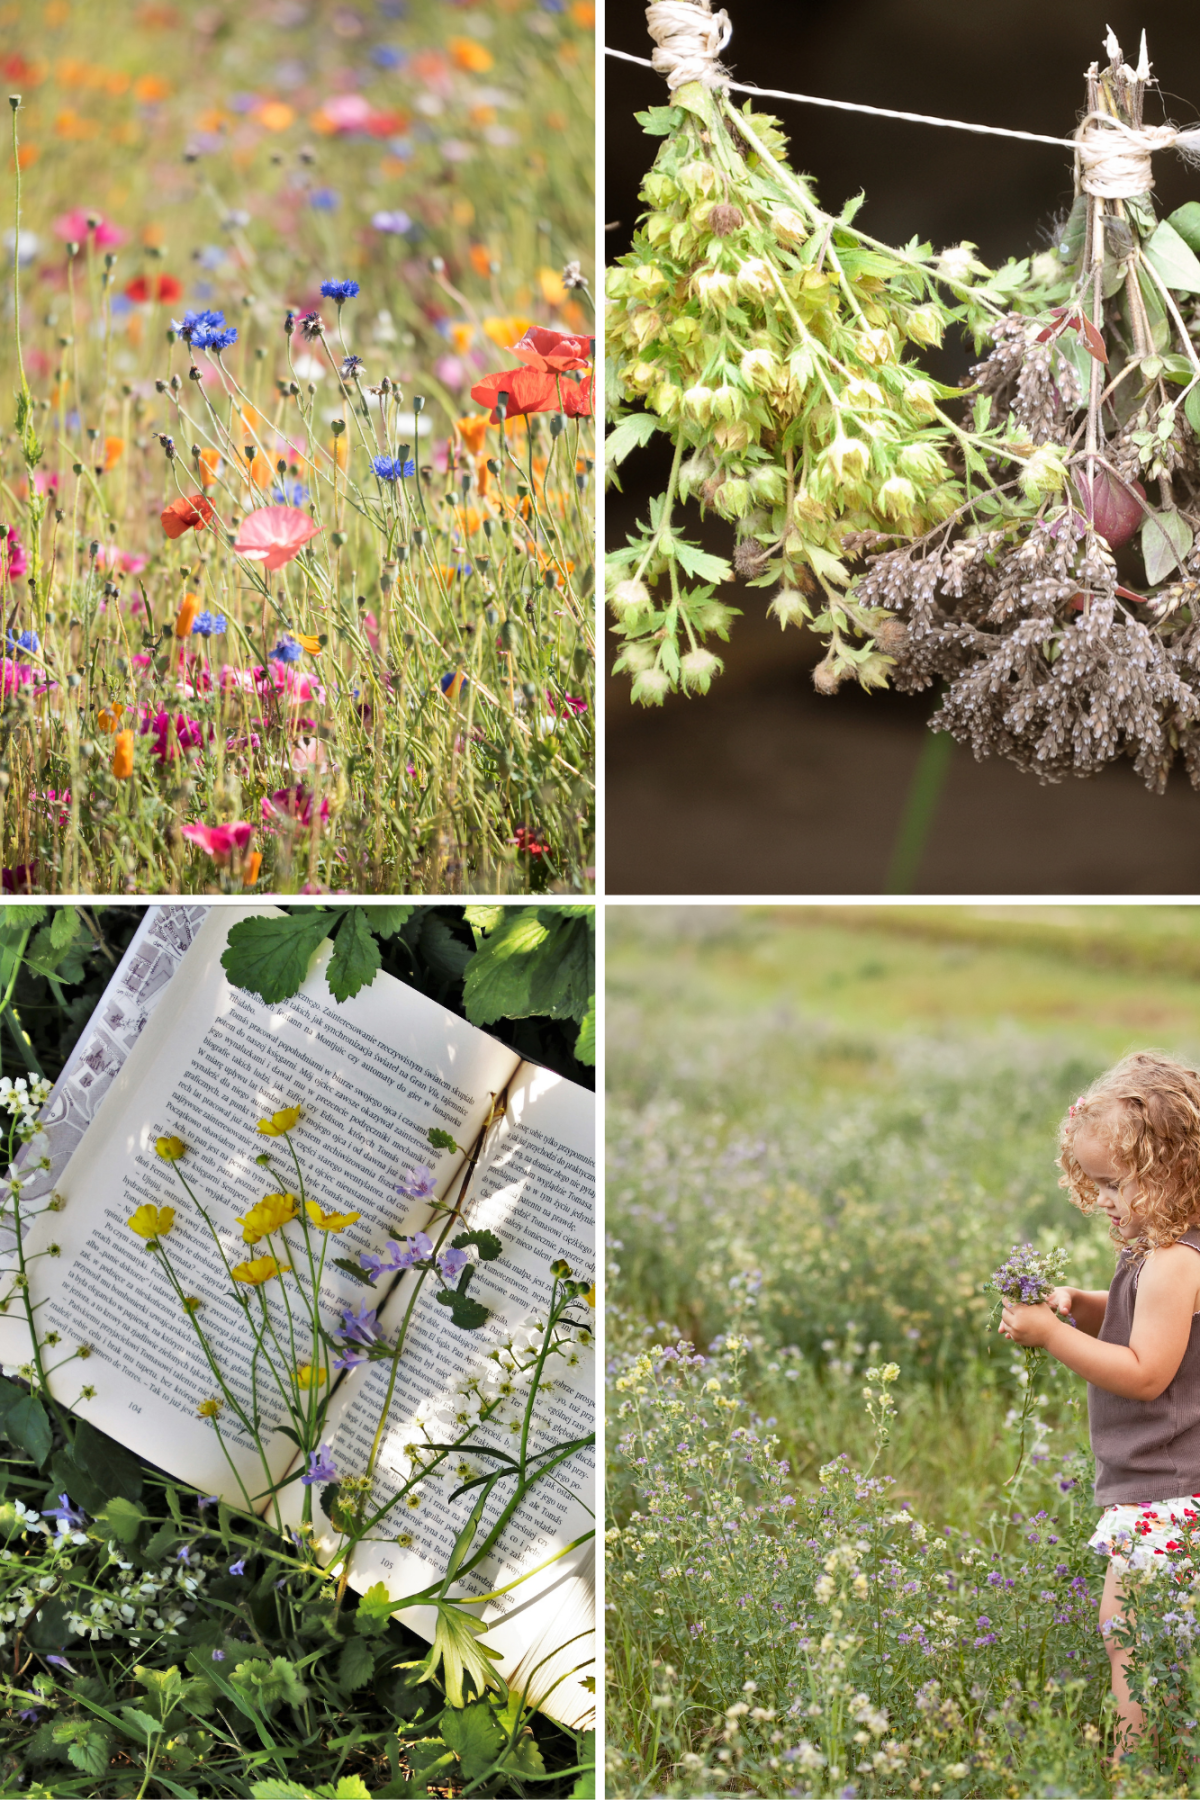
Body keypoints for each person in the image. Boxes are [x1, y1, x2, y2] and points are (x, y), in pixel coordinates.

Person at [999, 1051, 1200, 1761]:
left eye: (1117, 1184)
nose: (1105, 1201)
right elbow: (1141, 1318)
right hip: (1168, 1491)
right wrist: (1079, 1305)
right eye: (1095, 1185)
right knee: (1156, 1639)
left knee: (1130, 1637)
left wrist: (1052, 1335)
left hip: (1168, 1494)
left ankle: (1135, 1768)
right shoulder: (1164, 1249)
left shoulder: (1177, 1260)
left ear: (1177, 1168)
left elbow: (1146, 1372)